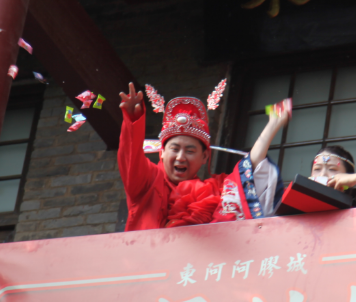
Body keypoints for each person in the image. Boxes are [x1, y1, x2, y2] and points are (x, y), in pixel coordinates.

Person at [118, 81, 288, 231]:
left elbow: (249, 170)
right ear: (161, 152)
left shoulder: (215, 188)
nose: (181, 157)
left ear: (205, 157)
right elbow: (131, 158)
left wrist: (272, 125)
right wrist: (133, 120)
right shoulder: (147, 180)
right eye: (175, 149)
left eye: (190, 151)